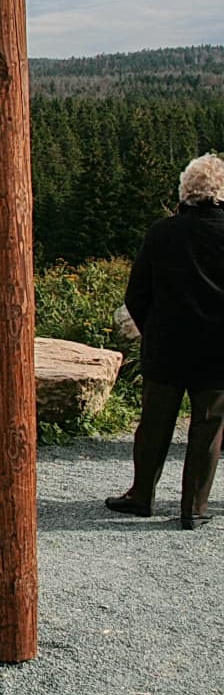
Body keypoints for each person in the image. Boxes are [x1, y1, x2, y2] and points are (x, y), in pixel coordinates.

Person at [106, 153, 224, 529]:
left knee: (154, 423)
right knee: (207, 427)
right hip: (217, 351)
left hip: (167, 346)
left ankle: (142, 495)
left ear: (184, 192)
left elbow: (136, 295)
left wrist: (151, 330)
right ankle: (193, 508)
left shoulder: (161, 232)